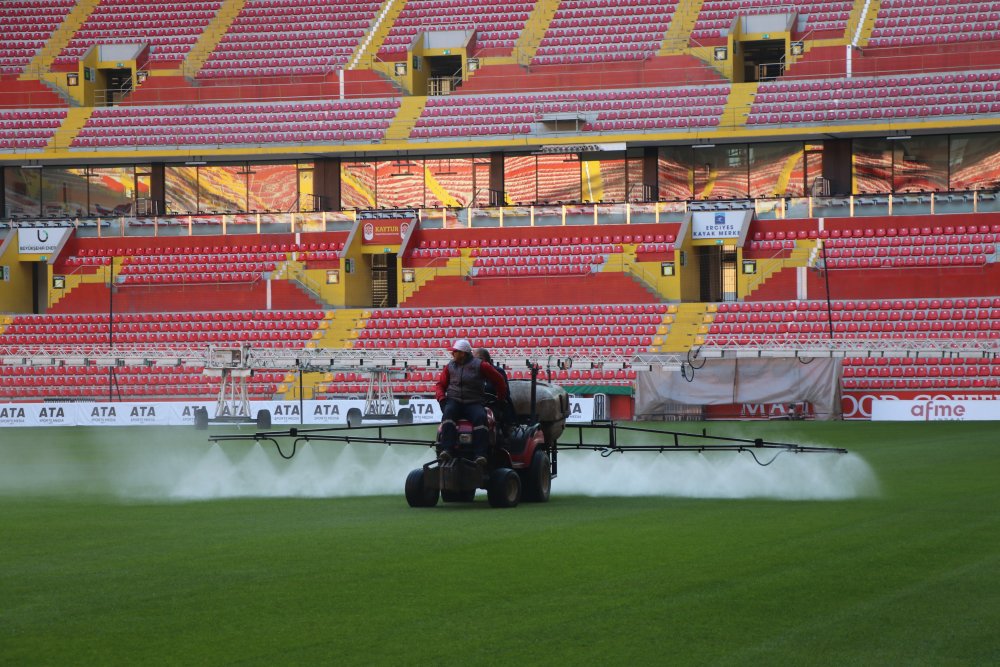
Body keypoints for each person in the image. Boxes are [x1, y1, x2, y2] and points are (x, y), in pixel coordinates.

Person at [435, 339, 508, 466]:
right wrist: (442, 398)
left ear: (463, 353)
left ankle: (481, 455)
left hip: (473, 402)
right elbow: (440, 385)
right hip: (454, 401)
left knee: (480, 417)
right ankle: (447, 449)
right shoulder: (449, 367)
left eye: (455, 352)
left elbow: (499, 380)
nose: (452, 354)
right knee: (448, 414)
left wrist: (501, 398)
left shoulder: (481, 365)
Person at [474, 347, 514, 429]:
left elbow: (504, 392)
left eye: (475, 360)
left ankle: (503, 434)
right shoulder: (474, 372)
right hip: (478, 403)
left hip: (495, 403)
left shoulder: (498, 372)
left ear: (483, 359)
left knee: (495, 416)